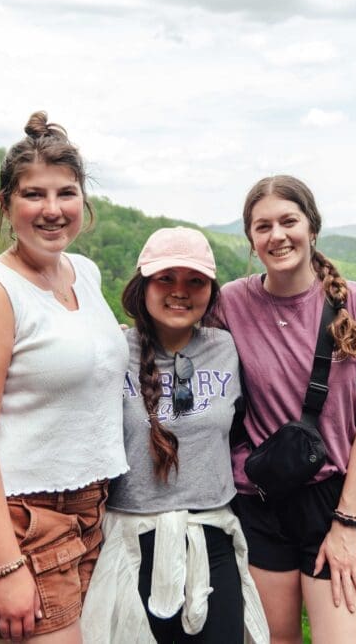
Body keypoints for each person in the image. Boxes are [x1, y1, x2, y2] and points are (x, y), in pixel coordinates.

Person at [0, 111, 129, 642]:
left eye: (65, 193)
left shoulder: (83, 273)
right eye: (33, 195)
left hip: (91, 513)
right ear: (5, 205)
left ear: (83, 203)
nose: (52, 210)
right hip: (20, 520)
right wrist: (4, 566)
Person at [217, 176, 356, 643]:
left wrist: (347, 523)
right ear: (250, 238)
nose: (277, 235)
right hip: (260, 498)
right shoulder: (230, 303)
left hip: (338, 499)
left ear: (312, 227)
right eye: (263, 226)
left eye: (289, 221)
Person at [82, 227, 269, 644]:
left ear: (211, 290)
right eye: (165, 278)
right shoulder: (112, 349)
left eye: (195, 281)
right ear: (142, 285)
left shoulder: (227, 348)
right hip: (131, 543)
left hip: (212, 539)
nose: (179, 291)